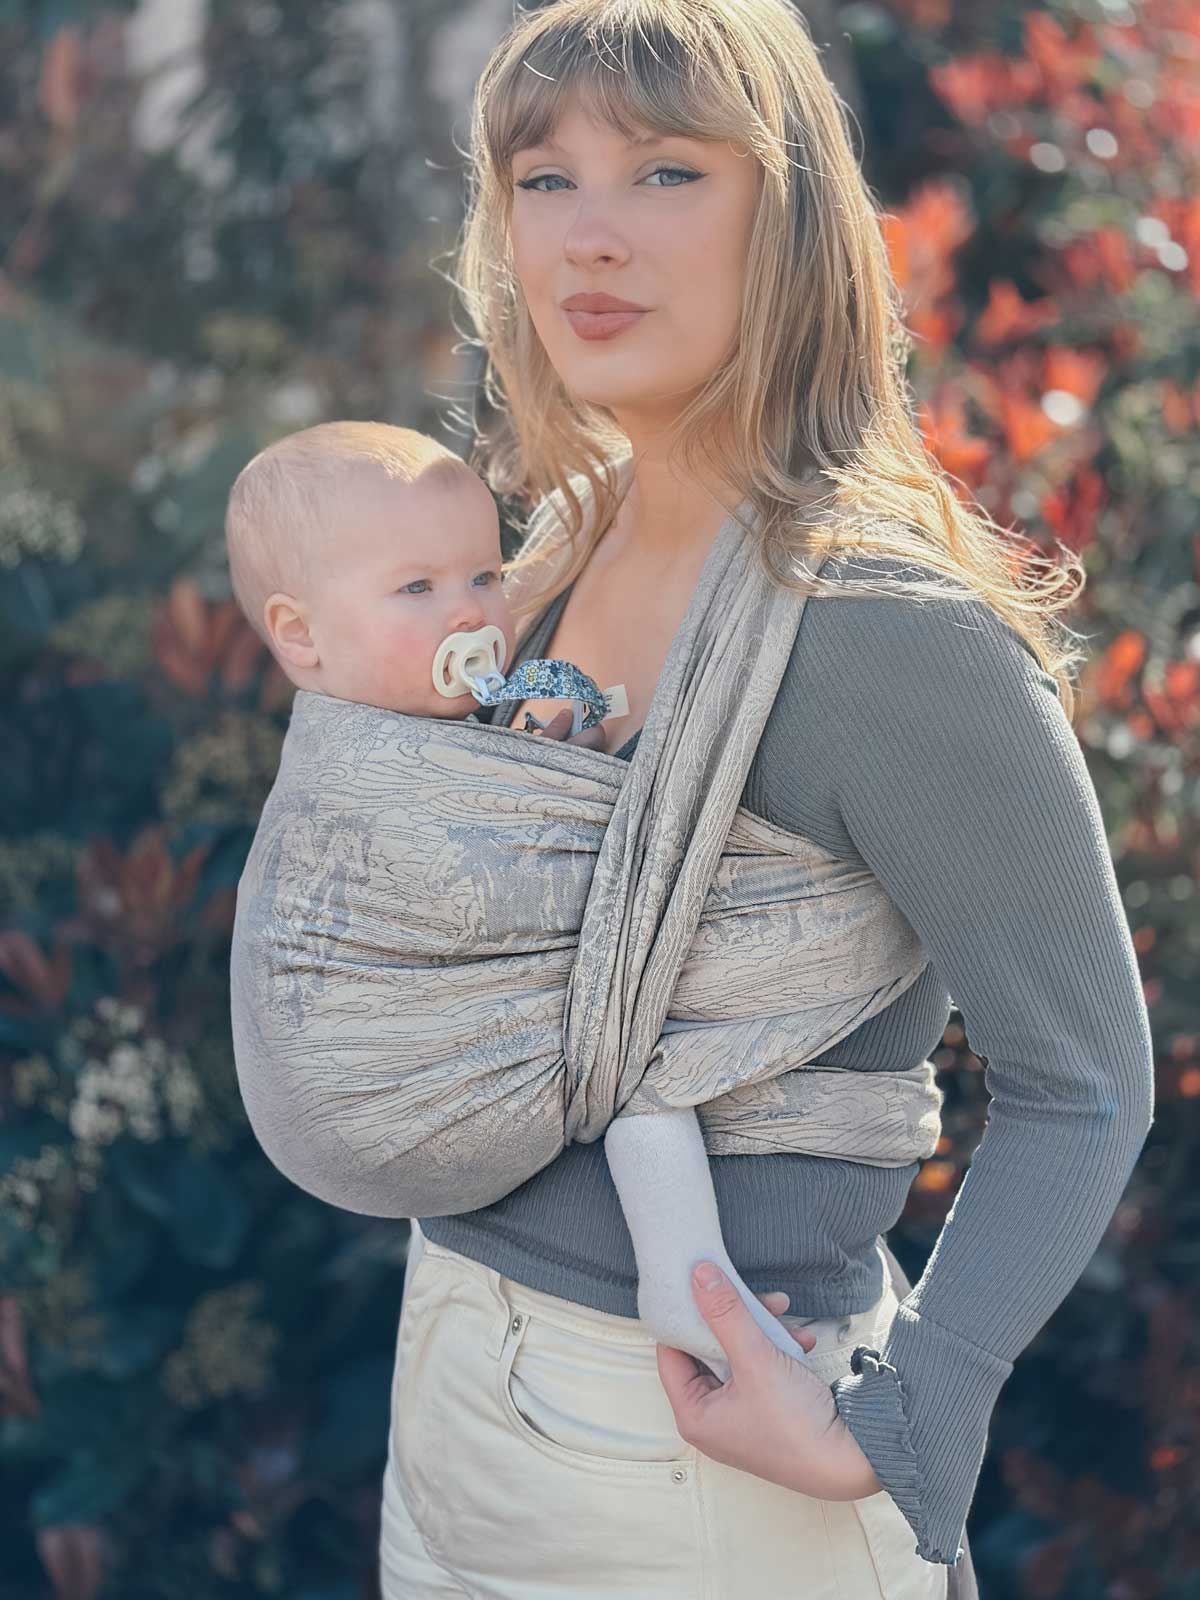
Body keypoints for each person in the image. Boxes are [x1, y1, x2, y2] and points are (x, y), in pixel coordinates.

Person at [372, 1, 1156, 1595]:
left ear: (788, 221)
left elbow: (1084, 1078)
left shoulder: (883, 635)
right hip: (448, 1370)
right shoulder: (552, 558)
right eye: (544, 178)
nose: (591, 235)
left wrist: (919, 1417)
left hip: (696, 1453)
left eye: (666, 174)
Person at [224, 416, 831, 1378]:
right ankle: (685, 1270)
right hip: (389, 1094)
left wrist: (564, 760)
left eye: (484, 576)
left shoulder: (475, 708)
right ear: (301, 636)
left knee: (625, 1020)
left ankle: (682, 1277)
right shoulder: (349, 772)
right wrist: (581, 807)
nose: (468, 613)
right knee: (636, 1029)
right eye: (417, 588)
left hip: (481, 1108)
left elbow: (519, 829)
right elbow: (512, 880)